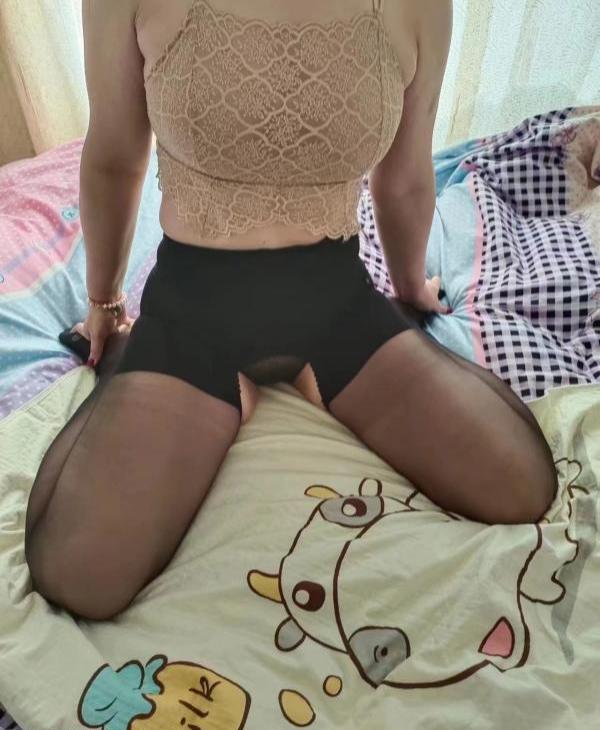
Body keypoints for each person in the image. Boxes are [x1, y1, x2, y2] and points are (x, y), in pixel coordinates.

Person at [24, 0, 558, 622]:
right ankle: (143, 362)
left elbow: (406, 173)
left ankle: (297, 378)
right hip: (191, 314)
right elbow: (115, 156)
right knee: (77, 573)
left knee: (520, 485)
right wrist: (104, 303)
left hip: (335, 304)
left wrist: (411, 288)